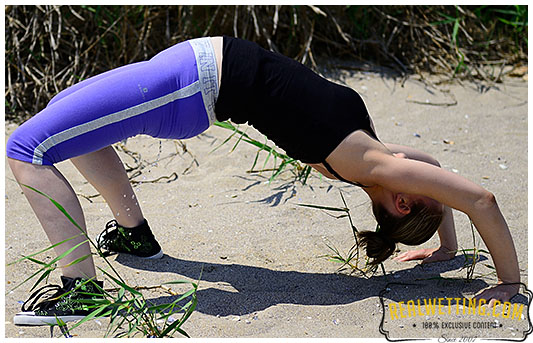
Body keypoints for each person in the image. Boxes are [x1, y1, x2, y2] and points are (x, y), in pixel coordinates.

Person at [6, 36, 520, 326]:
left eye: (427, 190)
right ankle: (135, 235)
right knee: (64, 117)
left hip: (187, 88)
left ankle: (81, 288)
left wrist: (512, 285)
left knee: (24, 148)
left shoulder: (378, 166)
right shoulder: (387, 157)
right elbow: (440, 173)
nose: (433, 177)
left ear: (404, 202)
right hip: (188, 73)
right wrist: (447, 249)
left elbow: (481, 197)